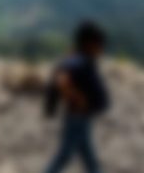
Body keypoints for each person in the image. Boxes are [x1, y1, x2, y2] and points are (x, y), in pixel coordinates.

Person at [44, 21, 109, 173]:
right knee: (66, 156)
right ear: (89, 43)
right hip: (77, 117)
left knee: (87, 156)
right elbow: (62, 80)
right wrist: (78, 99)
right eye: (98, 44)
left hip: (81, 117)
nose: (100, 48)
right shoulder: (79, 61)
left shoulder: (81, 60)